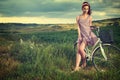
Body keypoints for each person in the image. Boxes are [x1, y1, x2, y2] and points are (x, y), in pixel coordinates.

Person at [73, 2, 98, 71]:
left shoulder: (90, 17)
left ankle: (84, 62)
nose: (86, 10)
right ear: (82, 9)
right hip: (81, 35)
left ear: (88, 9)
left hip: (88, 35)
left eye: (87, 9)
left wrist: (94, 27)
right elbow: (78, 27)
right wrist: (79, 35)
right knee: (78, 51)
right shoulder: (78, 17)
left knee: (81, 49)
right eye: (84, 9)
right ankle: (76, 67)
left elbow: (90, 26)